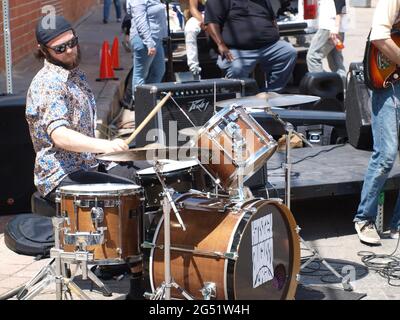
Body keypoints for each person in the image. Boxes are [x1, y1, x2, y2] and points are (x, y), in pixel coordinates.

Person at [26, 15, 138, 204]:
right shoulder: (48, 84)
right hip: (60, 176)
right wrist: (105, 145)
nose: (69, 51)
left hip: (86, 164)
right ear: (44, 51)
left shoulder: (75, 74)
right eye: (60, 48)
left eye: (72, 42)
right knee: (130, 191)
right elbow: (59, 135)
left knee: (142, 173)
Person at [353, 0, 400, 245]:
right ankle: (364, 218)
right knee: (386, 155)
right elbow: (380, 36)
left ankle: (398, 224)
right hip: (390, 79)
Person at [204, 0, 297, 92]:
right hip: (237, 49)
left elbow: (272, 20)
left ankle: (272, 93)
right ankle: (240, 98)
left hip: (268, 46)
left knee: (288, 51)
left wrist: (274, 35)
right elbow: (211, 23)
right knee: (237, 67)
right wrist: (220, 44)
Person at [127, 0, 168, 101]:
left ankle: (149, 101)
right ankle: (141, 105)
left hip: (156, 39)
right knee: (141, 74)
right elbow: (140, 19)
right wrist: (149, 43)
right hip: (144, 40)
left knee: (159, 71)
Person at [306, 0, 349, 85]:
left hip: (330, 27)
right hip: (334, 26)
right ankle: (342, 90)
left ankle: (321, 87)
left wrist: (336, 26)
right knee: (335, 61)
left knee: (313, 57)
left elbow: (340, 3)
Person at [184, 0, 207, 76]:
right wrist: (204, 22)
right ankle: (194, 67)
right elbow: (193, 8)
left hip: (219, 14)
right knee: (190, 29)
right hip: (201, 15)